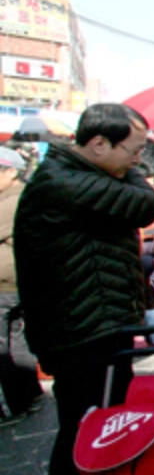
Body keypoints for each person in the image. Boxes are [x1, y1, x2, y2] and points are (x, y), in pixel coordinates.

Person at [14, 103, 154, 475]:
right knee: (85, 430)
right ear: (98, 144)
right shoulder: (62, 182)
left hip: (94, 325)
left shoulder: (79, 175)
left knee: (100, 425)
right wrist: (132, 172)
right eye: (134, 150)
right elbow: (146, 204)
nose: (138, 160)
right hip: (82, 333)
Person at [0, 147, 42, 424]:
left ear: (11, 172)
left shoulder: (12, 200)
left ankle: (14, 406)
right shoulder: (21, 196)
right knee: (16, 340)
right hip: (16, 284)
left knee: (4, 347)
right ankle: (30, 396)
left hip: (6, 285)